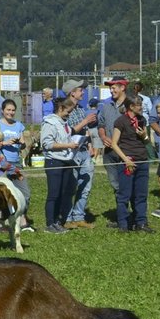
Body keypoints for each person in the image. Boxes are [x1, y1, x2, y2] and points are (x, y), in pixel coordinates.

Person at [61, 80, 101, 229]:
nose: (83, 92)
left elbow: (86, 131)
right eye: (80, 90)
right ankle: (67, 217)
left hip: (84, 151)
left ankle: (78, 216)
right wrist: (86, 121)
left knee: (86, 185)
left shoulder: (80, 108)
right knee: (71, 186)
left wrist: (91, 145)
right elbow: (69, 131)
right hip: (73, 152)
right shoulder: (65, 109)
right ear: (72, 92)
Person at [109, 94, 151, 231]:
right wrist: (125, 159)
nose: (142, 107)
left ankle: (141, 222)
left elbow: (146, 141)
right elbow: (114, 144)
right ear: (132, 106)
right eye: (139, 105)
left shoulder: (142, 119)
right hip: (128, 161)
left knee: (141, 194)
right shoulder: (121, 121)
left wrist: (143, 135)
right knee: (125, 194)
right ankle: (123, 223)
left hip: (142, 160)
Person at [40, 96, 80, 233]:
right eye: (68, 111)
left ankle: (58, 221)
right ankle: (50, 223)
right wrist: (68, 145)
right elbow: (47, 143)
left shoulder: (65, 123)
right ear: (60, 108)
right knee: (54, 194)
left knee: (63, 193)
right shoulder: (50, 123)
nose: (69, 114)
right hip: (54, 161)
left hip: (66, 161)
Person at [0, 98, 32, 230]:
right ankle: (0, 221)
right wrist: (5, 143)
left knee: (24, 193)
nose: (10, 112)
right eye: (8, 110)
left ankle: (21, 218)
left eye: (13, 110)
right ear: (2, 111)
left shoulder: (18, 125)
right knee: (1, 193)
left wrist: (21, 143)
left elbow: (23, 144)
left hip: (16, 163)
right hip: (1, 163)